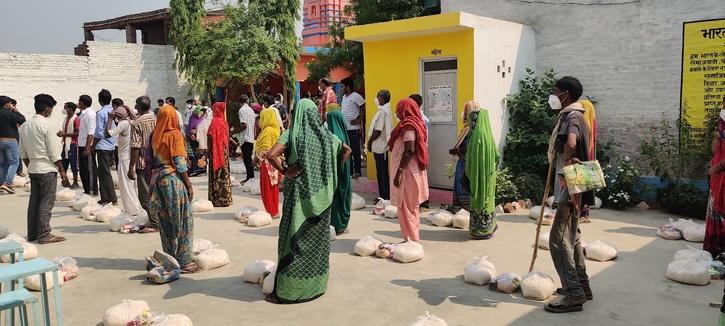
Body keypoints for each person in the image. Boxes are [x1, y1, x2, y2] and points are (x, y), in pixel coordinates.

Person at [265, 98, 350, 304]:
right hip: (323, 199)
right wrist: (331, 171)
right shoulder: (328, 137)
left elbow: (271, 155)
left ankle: (290, 291)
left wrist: (286, 171)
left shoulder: (292, 134)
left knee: (293, 239)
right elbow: (346, 150)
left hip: (299, 199)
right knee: (317, 243)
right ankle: (315, 286)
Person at [545, 76, 594, 313]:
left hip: (569, 185)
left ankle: (574, 293)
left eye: (555, 92)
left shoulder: (572, 116)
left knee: (558, 239)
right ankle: (582, 285)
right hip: (577, 185)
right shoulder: (580, 114)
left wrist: (567, 157)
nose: (553, 96)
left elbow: (572, 142)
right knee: (572, 238)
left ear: (565, 94)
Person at [148, 104, 199, 273]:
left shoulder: (155, 135)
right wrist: (189, 184)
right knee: (183, 220)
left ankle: (170, 257)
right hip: (172, 181)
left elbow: (149, 160)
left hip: (158, 181)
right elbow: (179, 162)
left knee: (166, 221)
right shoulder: (174, 135)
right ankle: (184, 261)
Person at [19, 94, 70, 243]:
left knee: (34, 201)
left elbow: (22, 152)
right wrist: (62, 172)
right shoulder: (48, 125)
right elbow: (54, 153)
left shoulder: (24, 126)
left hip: (34, 168)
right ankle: (44, 235)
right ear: (48, 109)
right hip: (47, 168)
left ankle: (33, 234)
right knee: (46, 202)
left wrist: (31, 166)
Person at [388, 98, 429, 243]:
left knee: (407, 206)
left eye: (398, 109)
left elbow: (409, 150)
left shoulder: (409, 126)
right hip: (412, 171)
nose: (396, 113)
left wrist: (399, 172)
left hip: (408, 173)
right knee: (412, 207)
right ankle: (412, 239)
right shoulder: (414, 123)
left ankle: (412, 241)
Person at [464, 104, 499, 240]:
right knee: (488, 199)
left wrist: (469, 171)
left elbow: (470, 158)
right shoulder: (488, 135)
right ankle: (488, 227)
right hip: (489, 176)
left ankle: (479, 230)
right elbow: (496, 155)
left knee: (478, 198)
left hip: (477, 177)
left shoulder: (476, 136)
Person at [105, 103, 143, 216]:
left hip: (125, 159)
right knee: (133, 186)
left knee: (126, 186)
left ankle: (132, 210)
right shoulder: (133, 122)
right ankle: (137, 208)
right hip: (133, 158)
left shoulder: (124, 123)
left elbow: (107, 134)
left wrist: (110, 119)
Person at [129, 96, 158, 233]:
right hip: (157, 162)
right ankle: (157, 219)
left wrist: (131, 167)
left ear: (139, 107)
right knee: (156, 193)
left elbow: (135, 146)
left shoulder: (136, 123)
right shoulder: (156, 119)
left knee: (144, 196)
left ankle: (155, 223)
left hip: (143, 163)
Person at [447, 101, 479, 212]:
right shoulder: (478, 128)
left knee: (462, 185)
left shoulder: (468, 129)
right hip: (469, 163)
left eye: (465, 111)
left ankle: (463, 209)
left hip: (465, 163)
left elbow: (467, 147)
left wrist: (457, 151)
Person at [326, 109, 353, 235]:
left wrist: (339, 164)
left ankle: (338, 225)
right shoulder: (342, 132)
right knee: (344, 195)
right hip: (344, 171)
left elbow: (347, 150)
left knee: (337, 197)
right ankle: (342, 224)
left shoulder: (334, 134)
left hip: (338, 171)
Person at [706, 99, 725, 257]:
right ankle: (717, 251)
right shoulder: (722, 125)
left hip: (721, 174)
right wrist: (718, 136)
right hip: (718, 178)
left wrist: (716, 168)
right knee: (716, 211)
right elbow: (714, 150)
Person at [367, 90, 393, 202]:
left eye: (378, 97)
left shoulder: (383, 112)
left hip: (381, 146)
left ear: (382, 98)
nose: (376, 99)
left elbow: (378, 130)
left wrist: (369, 142)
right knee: (380, 171)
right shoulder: (383, 110)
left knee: (382, 172)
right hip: (378, 146)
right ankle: (382, 195)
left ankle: (384, 196)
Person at [255, 108, 281, 218]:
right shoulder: (275, 129)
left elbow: (265, 150)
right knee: (273, 187)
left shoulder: (267, 131)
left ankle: (271, 211)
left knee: (267, 188)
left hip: (267, 163)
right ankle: (274, 210)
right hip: (275, 163)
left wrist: (256, 158)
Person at [94, 89, 118, 205]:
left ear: (100, 100)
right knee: (103, 172)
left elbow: (99, 133)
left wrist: (93, 145)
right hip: (111, 145)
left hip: (103, 145)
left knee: (105, 173)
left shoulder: (101, 113)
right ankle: (105, 197)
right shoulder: (113, 111)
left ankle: (112, 198)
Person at [207, 102, 233, 207]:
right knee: (224, 174)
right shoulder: (224, 122)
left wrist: (208, 150)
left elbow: (210, 136)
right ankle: (226, 199)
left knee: (215, 174)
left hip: (215, 152)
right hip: (224, 152)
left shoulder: (214, 122)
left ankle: (216, 199)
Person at [0, 96, 26, 194]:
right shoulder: (9, 113)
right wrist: (16, 111)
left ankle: (1, 183)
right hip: (10, 140)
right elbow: (22, 120)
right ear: (7, 104)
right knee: (14, 162)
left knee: (2, 163)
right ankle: (7, 183)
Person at [340, 78, 365, 178]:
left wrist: (359, 120)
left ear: (348, 87)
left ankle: (358, 170)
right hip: (345, 128)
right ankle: (350, 171)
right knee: (347, 150)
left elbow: (364, 108)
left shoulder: (356, 96)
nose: (341, 89)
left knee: (355, 150)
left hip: (353, 128)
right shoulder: (344, 97)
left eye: (342, 86)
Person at [577, 99, 597, 224]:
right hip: (589, 159)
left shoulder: (583, 124)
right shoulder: (592, 125)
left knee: (580, 186)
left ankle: (582, 213)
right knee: (586, 185)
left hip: (581, 158)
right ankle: (585, 213)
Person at [409, 94, 430, 210]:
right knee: (421, 175)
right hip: (421, 149)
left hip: (419, 149)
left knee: (419, 176)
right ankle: (423, 200)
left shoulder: (420, 118)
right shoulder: (421, 118)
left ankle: (423, 201)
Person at [78, 95, 98, 196]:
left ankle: (92, 190)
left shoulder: (90, 114)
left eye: (79, 101)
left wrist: (87, 148)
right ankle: (86, 189)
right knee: (83, 169)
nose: (78, 103)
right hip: (81, 145)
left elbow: (91, 133)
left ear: (82, 103)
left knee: (90, 169)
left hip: (87, 146)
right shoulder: (83, 114)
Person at [58, 102, 80, 189]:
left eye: (65, 108)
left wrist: (64, 134)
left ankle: (75, 181)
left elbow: (77, 133)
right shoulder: (66, 118)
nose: (64, 110)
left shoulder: (76, 119)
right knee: (64, 162)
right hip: (65, 144)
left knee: (73, 163)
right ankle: (65, 180)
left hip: (72, 144)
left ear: (70, 109)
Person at [238, 95, 256, 183]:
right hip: (251, 136)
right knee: (249, 158)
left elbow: (244, 125)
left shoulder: (242, 110)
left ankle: (250, 177)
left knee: (247, 159)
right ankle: (250, 176)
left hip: (245, 137)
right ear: (247, 100)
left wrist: (235, 131)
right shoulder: (251, 110)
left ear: (240, 102)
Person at [185, 103, 207, 176]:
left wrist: (198, 131)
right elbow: (189, 129)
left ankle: (202, 170)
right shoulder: (192, 118)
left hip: (201, 139)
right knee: (193, 154)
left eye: (203, 112)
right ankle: (194, 170)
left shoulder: (203, 119)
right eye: (200, 111)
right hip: (192, 138)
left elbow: (205, 128)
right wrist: (191, 133)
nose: (201, 114)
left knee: (201, 153)